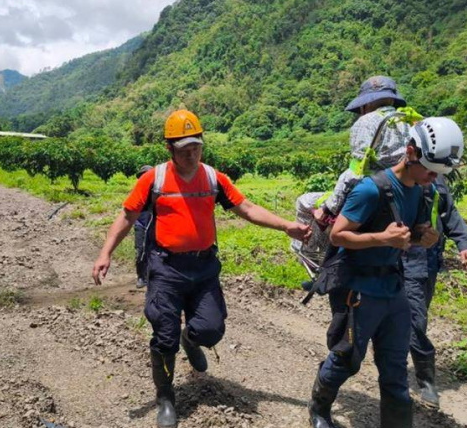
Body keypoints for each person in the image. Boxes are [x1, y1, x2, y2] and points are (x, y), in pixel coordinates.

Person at [92, 110, 311, 428]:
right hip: (167, 268)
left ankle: (191, 339)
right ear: (170, 149)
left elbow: (246, 208)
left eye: (196, 146)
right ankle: (166, 398)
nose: (192, 153)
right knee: (163, 338)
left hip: (204, 267)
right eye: (184, 148)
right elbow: (127, 216)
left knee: (211, 329)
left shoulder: (213, 178)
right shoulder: (153, 180)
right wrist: (105, 252)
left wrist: (287, 226)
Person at [308, 118, 464, 428]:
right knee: (347, 359)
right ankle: (319, 407)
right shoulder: (371, 189)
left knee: (394, 368)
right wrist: (382, 238)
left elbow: (411, 235)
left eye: (438, 173)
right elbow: (338, 235)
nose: (433, 178)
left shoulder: (422, 191)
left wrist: (424, 237)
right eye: (430, 170)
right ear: (410, 152)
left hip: (394, 288)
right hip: (358, 289)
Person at [402, 168, 467, 408]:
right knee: (414, 320)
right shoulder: (400, 177)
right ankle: (425, 381)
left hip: (429, 262)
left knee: (417, 319)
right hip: (404, 261)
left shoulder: (436, 178)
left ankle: (400, 369)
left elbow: (449, 212)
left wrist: (464, 243)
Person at [314, 76, 412, 227]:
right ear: (392, 101)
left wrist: (328, 208)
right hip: (404, 189)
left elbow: (356, 172)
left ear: (366, 104)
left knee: (305, 202)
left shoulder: (365, 122)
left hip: (373, 190)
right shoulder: (408, 121)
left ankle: (319, 250)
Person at [134, 165, 154, 289]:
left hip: (155, 224)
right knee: (140, 250)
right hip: (140, 224)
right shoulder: (137, 192)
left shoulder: (159, 191)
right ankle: (141, 276)